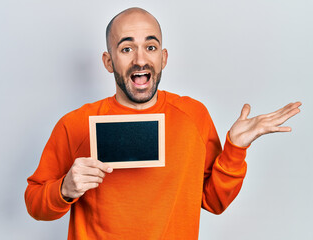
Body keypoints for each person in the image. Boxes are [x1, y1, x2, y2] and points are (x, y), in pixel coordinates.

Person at [25, 7, 301, 240]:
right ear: (108, 62)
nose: (140, 59)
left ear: (163, 57)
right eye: (126, 48)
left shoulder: (194, 115)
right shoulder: (75, 124)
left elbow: (214, 202)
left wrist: (235, 150)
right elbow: (35, 204)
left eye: (150, 46)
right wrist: (64, 189)